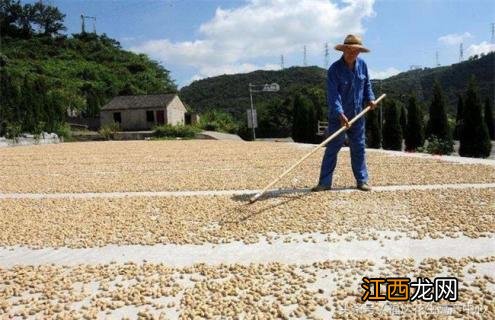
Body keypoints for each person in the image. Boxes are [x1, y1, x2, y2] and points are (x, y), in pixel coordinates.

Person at [312, 34, 377, 192]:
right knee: (333, 147)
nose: (352, 53)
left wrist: (371, 99)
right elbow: (333, 95)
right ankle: (324, 183)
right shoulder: (334, 70)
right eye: (349, 50)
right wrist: (340, 114)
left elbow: (367, 84)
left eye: (356, 51)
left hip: (358, 115)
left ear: (359, 52)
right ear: (344, 50)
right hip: (338, 117)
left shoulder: (363, 65)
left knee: (359, 148)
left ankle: (362, 180)